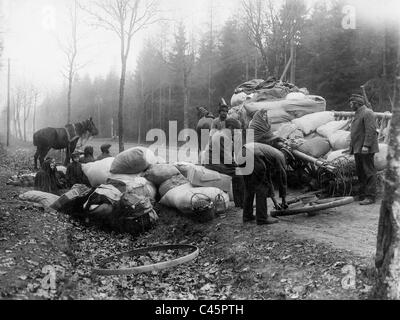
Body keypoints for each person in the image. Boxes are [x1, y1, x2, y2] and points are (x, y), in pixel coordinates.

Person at [242, 142, 288, 225]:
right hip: (254, 155)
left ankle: (247, 215)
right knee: (261, 187)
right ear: (286, 156)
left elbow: (268, 179)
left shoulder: (270, 153)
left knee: (249, 187)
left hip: (242, 152)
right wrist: (284, 199)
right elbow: (282, 180)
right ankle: (262, 218)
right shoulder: (280, 157)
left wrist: (275, 201)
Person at [204, 118, 244, 208]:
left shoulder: (223, 134)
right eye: (236, 130)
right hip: (213, 163)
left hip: (215, 161)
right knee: (239, 174)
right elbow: (227, 159)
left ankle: (239, 202)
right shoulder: (223, 136)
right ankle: (242, 202)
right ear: (230, 127)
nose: (236, 132)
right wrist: (237, 166)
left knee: (237, 172)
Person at [348, 93, 379, 205]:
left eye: (351, 103)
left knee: (369, 171)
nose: (350, 105)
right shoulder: (358, 113)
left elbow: (371, 130)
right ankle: (362, 194)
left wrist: (366, 146)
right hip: (358, 148)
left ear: (357, 103)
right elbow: (356, 132)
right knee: (360, 172)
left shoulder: (367, 113)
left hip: (366, 148)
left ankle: (370, 196)